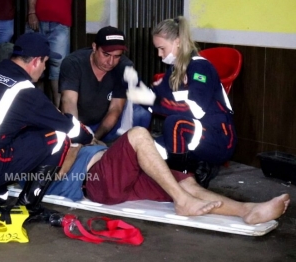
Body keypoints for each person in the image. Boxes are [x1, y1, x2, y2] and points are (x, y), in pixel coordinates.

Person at [0, 32, 94, 213]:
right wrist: (88, 135)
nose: (45, 69)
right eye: (46, 63)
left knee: (1, 192)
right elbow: (70, 128)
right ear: (35, 61)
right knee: (58, 136)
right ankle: (28, 207)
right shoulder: (23, 89)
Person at [45, 127, 290, 225]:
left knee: (187, 182)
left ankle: (246, 210)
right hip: (97, 181)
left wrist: (81, 141)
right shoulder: (30, 154)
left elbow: (84, 140)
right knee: (139, 134)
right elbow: (57, 173)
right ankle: (182, 202)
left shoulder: (51, 134)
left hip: (120, 174)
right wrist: (73, 146)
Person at [127, 16, 237, 188]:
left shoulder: (200, 68)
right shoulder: (173, 70)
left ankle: (182, 181)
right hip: (194, 133)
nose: (159, 54)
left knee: (174, 123)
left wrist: (151, 101)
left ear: (177, 42)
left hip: (219, 138)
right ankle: (194, 167)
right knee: (148, 150)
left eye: (162, 48)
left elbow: (196, 110)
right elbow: (156, 98)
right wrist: (134, 85)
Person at [60, 26, 152, 143]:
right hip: (78, 125)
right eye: (106, 54)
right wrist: (77, 136)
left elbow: (115, 108)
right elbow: (69, 102)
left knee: (141, 114)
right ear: (94, 47)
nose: (110, 62)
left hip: (105, 127)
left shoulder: (124, 67)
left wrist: (95, 138)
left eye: (117, 56)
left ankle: (119, 150)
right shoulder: (73, 63)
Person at [26, 0, 72, 108]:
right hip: (37, 19)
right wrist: (31, 12)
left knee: (58, 68)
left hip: (61, 21)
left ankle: (58, 110)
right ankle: (33, 108)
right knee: (33, 65)